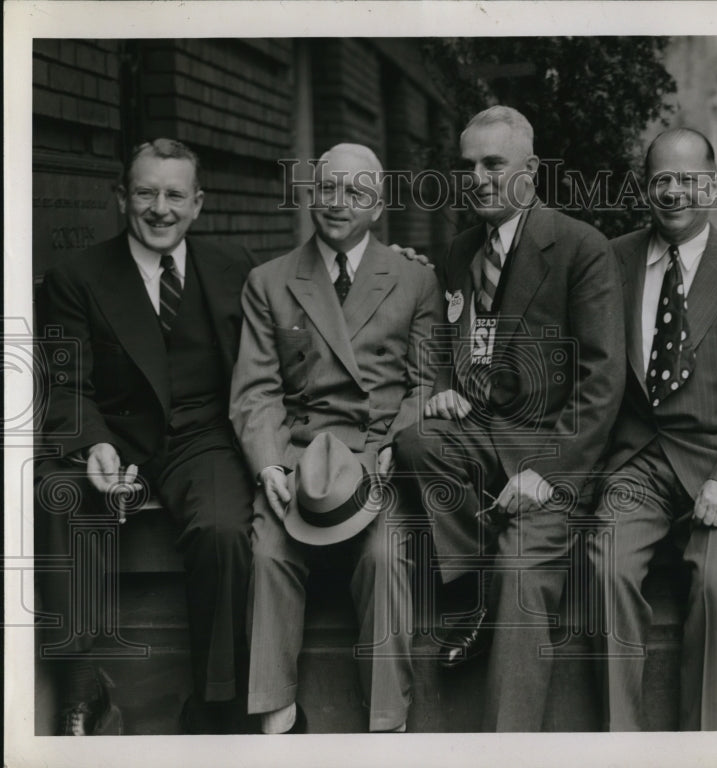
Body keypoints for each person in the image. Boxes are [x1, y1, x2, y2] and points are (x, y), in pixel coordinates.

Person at [394, 105, 625, 731]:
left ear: (531, 170)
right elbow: (445, 342)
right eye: (468, 166)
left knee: (521, 574)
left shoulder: (580, 248)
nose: (478, 178)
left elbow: (602, 382)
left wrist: (548, 472)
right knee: (418, 439)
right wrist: (444, 386)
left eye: (494, 164)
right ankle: (466, 591)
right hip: (482, 437)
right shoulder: (462, 249)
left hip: (552, 448)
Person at [36, 138, 258, 734]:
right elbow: (65, 384)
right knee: (54, 494)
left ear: (198, 204)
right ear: (120, 198)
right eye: (145, 192)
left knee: (223, 528)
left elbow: (304, 311)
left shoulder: (234, 267)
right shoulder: (75, 277)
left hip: (201, 438)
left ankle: (216, 704)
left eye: (174, 195)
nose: (160, 208)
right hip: (114, 438)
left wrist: (400, 263)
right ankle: (80, 691)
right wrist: (92, 444)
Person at [587, 128, 717, 731]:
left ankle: (704, 744)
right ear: (644, 187)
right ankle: (620, 741)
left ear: (715, 184)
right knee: (606, 567)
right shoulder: (614, 259)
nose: (674, 191)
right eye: (661, 180)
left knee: (714, 584)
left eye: (688, 179)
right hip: (642, 462)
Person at [229, 143, 441, 734]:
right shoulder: (269, 281)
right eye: (327, 189)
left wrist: (399, 442)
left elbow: (426, 384)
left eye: (356, 193)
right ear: (309, 195)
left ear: (378, 206)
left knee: (383, 556)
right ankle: (276, 717)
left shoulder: (414, 280)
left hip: (376, 457)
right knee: (269, 553)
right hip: (299, 459)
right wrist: (270, 466)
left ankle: (386, 725)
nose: (338, 203)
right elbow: (255, 391)